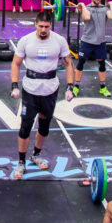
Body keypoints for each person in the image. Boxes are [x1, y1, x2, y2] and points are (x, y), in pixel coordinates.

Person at [9, 10, 75, 179]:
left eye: (46, 26)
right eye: (40, 26)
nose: (43, 29)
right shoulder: (26, 41)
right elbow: (16, 64)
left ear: (51, 25)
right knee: (25, 126)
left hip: (50, 90)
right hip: (30, 90)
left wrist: (70, 87)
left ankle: (36, 155)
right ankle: (21, 162)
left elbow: (68, 65)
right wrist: (14, 86)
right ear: (35, 25)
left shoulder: (59, 41)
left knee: (44, 126)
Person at [73, 0, 112, 97]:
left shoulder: (105, 9)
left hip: (100, 42)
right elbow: (87, 17)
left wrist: (111, 5)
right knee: (81, 63)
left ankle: (103, 87)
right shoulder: (86, 8)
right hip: (87, 42)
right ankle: (76, 86)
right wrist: (82, 5)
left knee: (102, 64)